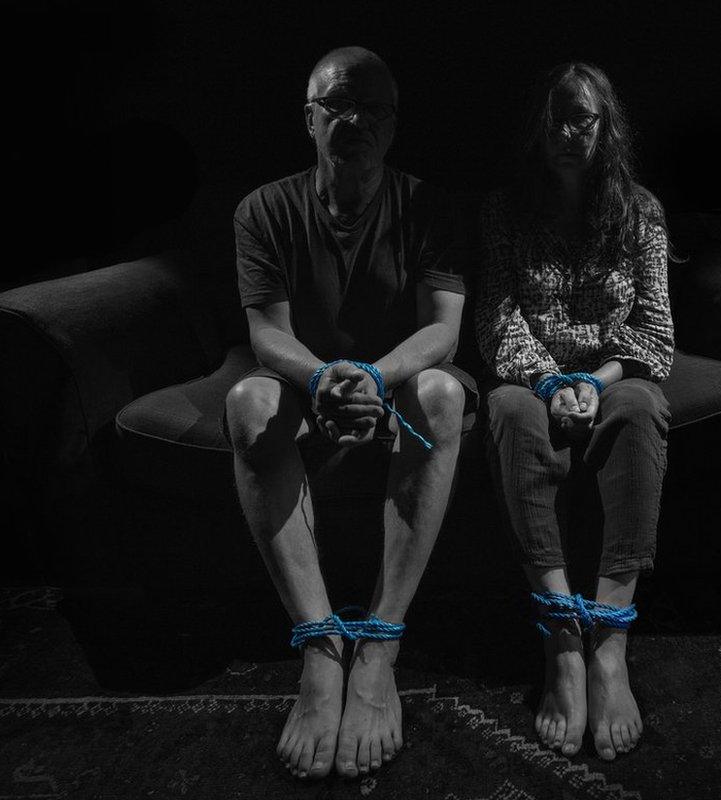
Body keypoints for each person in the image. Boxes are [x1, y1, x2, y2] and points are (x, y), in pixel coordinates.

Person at [223, 46, 476, 780]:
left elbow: (444, 330)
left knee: (443, 392)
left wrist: (369, 374)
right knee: (246, 404)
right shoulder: (263, 210)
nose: (355, 119)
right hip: (310, 381)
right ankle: (320, 647)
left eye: (373, 108)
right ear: (309, 119)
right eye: (338, 105)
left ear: (393, 127)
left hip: (395, 380)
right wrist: (326, 376)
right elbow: (267, 332)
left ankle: (380, 644)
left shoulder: (431, 206)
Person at [476, 62, 674, 762]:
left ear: (604, 126)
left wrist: (600, 378)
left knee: (641, 406)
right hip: (537, 378)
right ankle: (563, 638)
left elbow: (655, 329)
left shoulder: (641, 211)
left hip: (613, 372)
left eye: (582, 118)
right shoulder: (506, 210)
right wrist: (554, 381)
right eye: (557, 117)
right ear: (539, 125)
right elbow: (497, 322)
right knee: (507, 411)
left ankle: (610, 643)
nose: (568, 132)